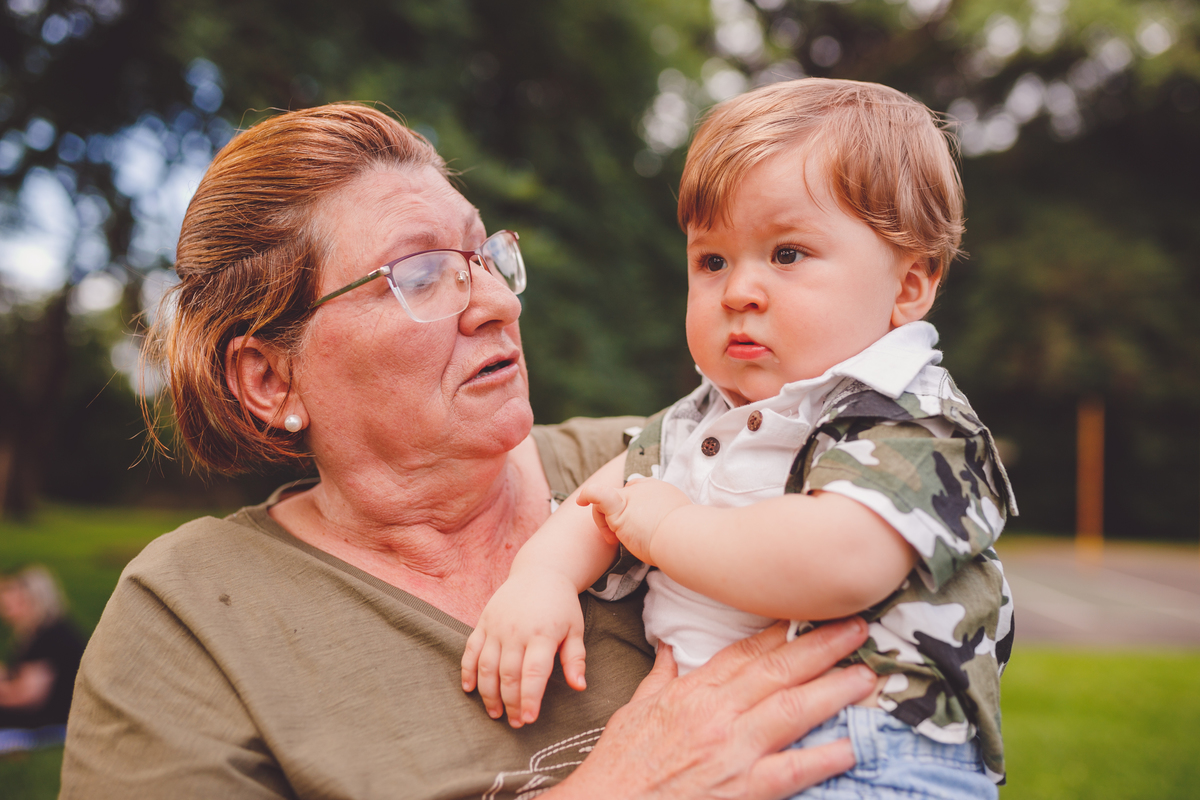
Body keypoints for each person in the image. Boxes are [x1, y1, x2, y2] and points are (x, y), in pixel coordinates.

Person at [60, 103, 882, 800]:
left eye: (485, 257)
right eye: (418, 273)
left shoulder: (674, 462)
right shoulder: (191, 617)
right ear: (271, 380)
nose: (494, 301)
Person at [462, 79, 1017, 799]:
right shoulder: (699, 420)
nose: (737, 292)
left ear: (908, 286)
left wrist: (668, 526)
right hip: (711, 744)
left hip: (872, 748)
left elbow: (836, 562)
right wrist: (540, 580)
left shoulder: (915, 420)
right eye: (712, 260)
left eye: (787, 255)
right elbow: (601, 504)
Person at [0, 566, 86, 735]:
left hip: (51, 719)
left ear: (32, 598)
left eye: (10, 594)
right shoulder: (38, 633)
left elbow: (27, 697)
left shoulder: (51, 636)